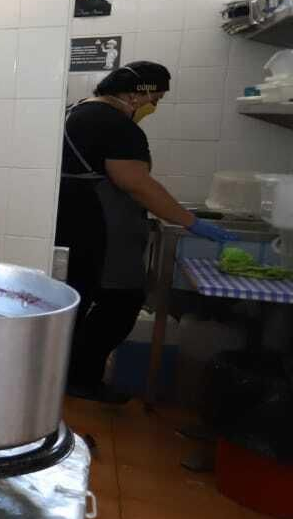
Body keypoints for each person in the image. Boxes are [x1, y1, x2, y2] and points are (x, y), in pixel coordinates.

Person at [55, 61, 235, 403]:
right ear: (137, 94)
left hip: (69, 220)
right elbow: (137, 184)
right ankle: (82, 379)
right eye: (156, 98)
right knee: (122, 301)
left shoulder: (76, 110)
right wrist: (190, 221)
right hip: (100, 225)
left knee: (79, 297)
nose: (154, 106)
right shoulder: (117, 125)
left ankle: (65, 377)